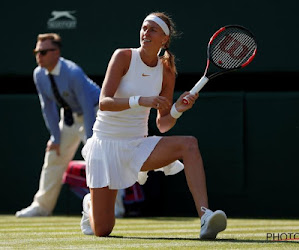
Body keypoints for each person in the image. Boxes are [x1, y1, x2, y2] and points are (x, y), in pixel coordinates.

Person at [80, 12, 227, 239]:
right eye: (144, 28)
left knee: (189, 144)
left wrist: (178, 108)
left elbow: (163, 124)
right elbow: (104, 102)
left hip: (138, 145)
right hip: (105, 146)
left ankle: (205, 216)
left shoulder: (166, 70)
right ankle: (90, 204)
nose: (145, 33)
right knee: (103, 230)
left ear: (164, 40)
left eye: (152, 30)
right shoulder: (123, 56)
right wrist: (140, 100)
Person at [16, 33, 125, 218]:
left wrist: (92, 140)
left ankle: (115, 208)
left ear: (56, 52)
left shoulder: (73, 72)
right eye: (36, 51)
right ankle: (42, 207)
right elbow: (48, 106)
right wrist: (55, 138)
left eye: (43, 52)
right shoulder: (38, 74)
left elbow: (87, 107)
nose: (38, 56)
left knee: (101, 158)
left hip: (96, 113)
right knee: (53, 154)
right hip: (69, 117)